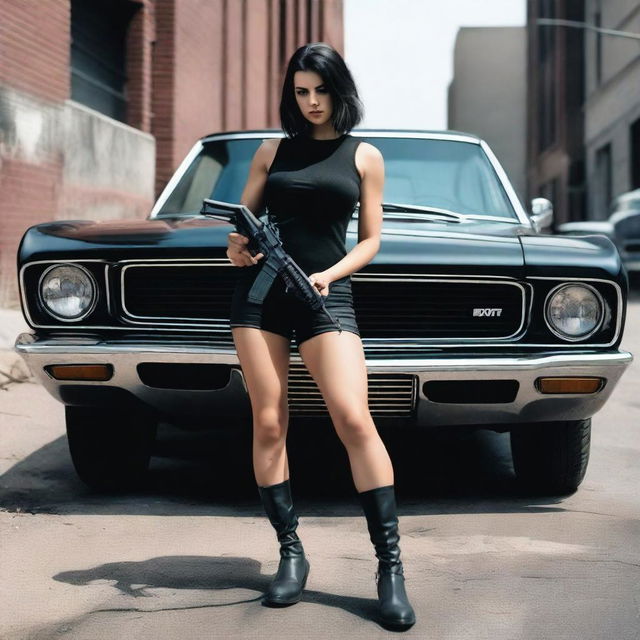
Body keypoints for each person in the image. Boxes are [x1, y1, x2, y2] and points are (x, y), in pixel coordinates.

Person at [226, 42, 416, 631]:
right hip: (259, 300)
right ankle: (290, 553)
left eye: (321, 90)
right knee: (269, 419)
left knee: (354, 419)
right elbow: (240, 228)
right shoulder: (269, 152)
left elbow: (371, 240)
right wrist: (237, 248)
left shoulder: (365, 156)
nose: (311, 102)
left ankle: (390, 569)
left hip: (325, 296)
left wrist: (329, 275)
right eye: (301, 92)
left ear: (340, 90)